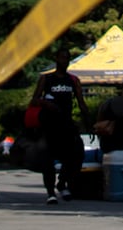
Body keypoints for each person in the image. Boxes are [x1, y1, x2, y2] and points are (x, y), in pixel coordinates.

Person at [35, 46, 89, 204]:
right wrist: (46, 103)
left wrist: (88, 123)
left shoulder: (73, 80)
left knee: (75, 154)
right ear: (56, 59)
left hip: (66, 123)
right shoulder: (47, 79)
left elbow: (81, 103)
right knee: (48, 159)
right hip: (49, 125)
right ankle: (50, 192)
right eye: (61, 58)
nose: (64, 61)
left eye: (67, 58)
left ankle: (62, 182)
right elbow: (35, 99)